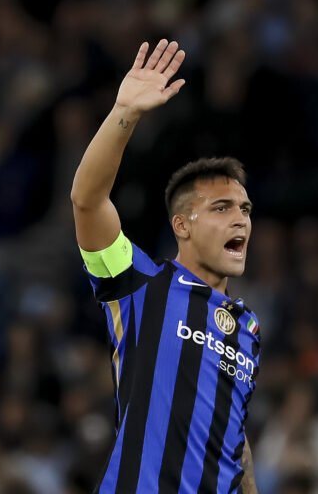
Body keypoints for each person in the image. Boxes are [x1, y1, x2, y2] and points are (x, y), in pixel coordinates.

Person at [71, 39, 260, 494]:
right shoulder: (140, 283)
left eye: (245, 209)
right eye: (221, 208)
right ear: (182, 225)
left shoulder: (248, 328)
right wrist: (125, 113)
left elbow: (235, 439)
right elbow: (87, 200)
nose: (240, 219)